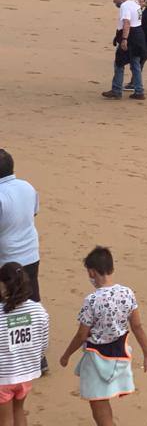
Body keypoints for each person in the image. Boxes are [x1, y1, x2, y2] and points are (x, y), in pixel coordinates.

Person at [59, 247, 147, 424]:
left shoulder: (92, 300)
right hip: (120, 355)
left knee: (99, 409)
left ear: (91, 272)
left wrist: (66, 355)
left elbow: (82, 334)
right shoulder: (127, 293)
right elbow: (137, 326)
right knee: (105, 406)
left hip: (96, 359)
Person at [0, 149, 45, 375]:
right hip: (30, 254)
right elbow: (32, 214)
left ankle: (10, 357)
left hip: (6, 259)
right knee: (32, 299)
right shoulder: (27, 187)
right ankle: (38, 357)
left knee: (5, 304)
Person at [0, 262, 49, 420]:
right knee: (19, 412)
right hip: (26, 374)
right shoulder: (38, 310)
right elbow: (43, 345)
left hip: (4, 376)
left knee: (5, 420)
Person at [102, 0, 146, 100]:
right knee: (135, 64)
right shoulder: (134, 3)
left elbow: (126, 23)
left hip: (130, 37)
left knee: (119, 63)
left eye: (114, 0)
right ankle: (139, 91)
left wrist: (124, 39)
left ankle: (116, 90)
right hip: (139, 35)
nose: (114, 2)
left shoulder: (125, 7)